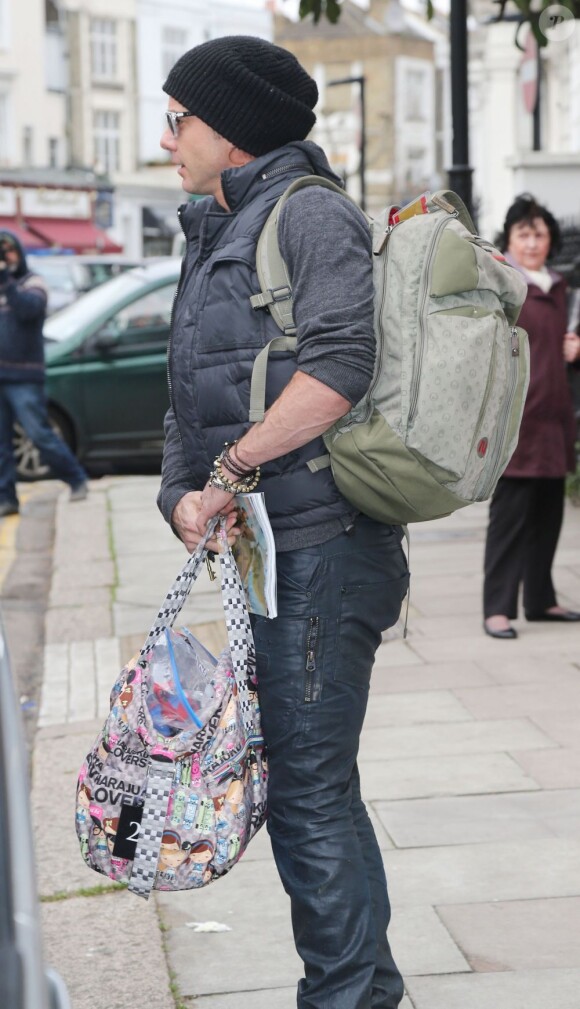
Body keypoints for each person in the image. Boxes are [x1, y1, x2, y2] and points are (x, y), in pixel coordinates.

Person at [157, 36, 409, 1009]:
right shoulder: (210, 225)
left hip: (325, 550)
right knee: (309, 789)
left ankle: (346, 996)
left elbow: (338, 366)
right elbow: (191, 391)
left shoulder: (312, 216)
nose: (166, 136)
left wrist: (228, 471)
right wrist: (180, 492)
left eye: (178, 118)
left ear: (232, 128)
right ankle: (363, 988)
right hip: (270, 556)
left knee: (307, 791)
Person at [483, 195, 580, 639]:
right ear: (511, 240)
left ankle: (541, 600)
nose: (532, 241)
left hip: (554, 418)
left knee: (548, 514)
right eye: (524, 233)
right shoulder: (504, 285)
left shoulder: (560, 287)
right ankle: (498, 608)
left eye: (539, 233)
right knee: (510, 518)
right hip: (516, 419)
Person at [0, 231, 89, 516]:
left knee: (39, 434)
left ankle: (76, 479)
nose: (6, 257)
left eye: (9, 251)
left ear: (19, 253)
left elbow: (28, 310)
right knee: (1, 443)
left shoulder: (33, 282)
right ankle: (7, 498)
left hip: (24, 378)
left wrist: (5, 279)